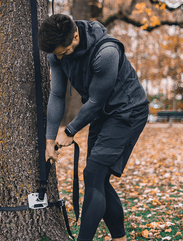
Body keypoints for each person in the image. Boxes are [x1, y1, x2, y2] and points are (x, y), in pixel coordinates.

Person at [38, 14, 149, 241]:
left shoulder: (106, 52)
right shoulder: (56, 54)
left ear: (76, 35)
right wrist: (50, 139)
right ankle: (120, 238)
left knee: (94, 173)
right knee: (98, 177)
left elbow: (96, 101)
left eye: (64, 52)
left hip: (128, 111)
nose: (60, 57)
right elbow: (58, 95)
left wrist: (70, 131)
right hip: (101, 113)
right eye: (56, 54)